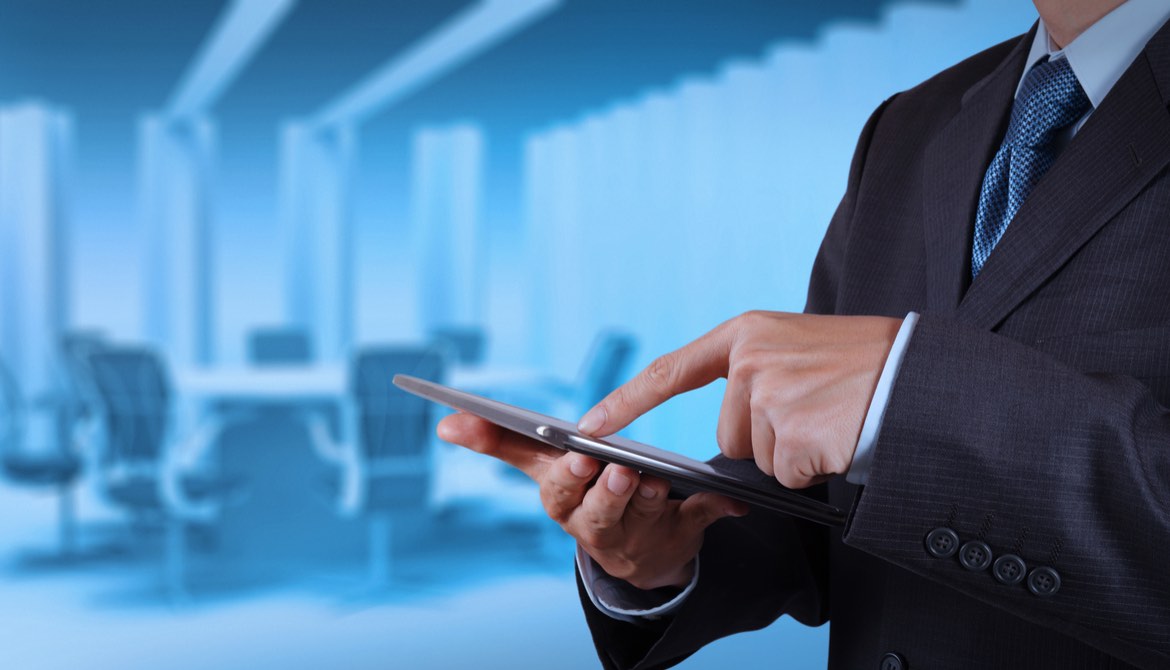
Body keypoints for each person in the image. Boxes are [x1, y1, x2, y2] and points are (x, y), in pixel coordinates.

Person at [438, 0, 1170, 667]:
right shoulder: (912, 125)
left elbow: (905, 414)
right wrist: (667, 550)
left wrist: (905, 396)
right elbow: (834, 493)